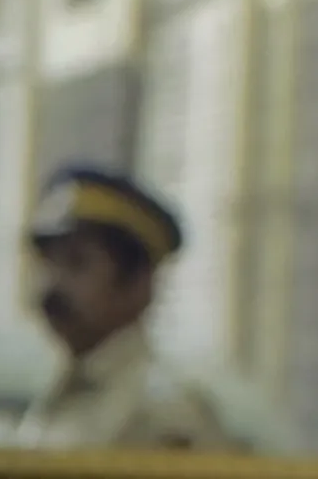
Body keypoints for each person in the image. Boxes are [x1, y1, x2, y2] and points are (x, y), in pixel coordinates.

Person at [14, 164, 244, 452]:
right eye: (48, 263)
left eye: (77, 263)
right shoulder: (62, 391)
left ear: (138, 285)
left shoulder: (163, 411)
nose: (54, 284)